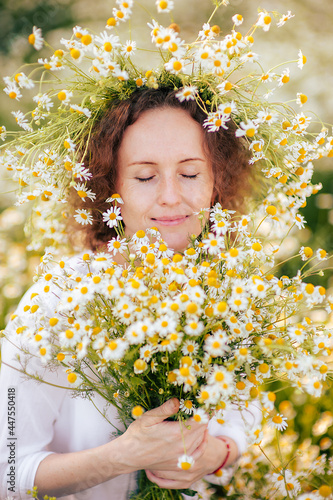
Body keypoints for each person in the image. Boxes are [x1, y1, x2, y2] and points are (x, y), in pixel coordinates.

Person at [0, 87, 261, 500]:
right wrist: (122, 457)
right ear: (110, 189)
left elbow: (243, 420)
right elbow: (7, 470)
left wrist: (217, 453)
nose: (171, 196)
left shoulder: (230, 292)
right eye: (144, 176)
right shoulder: (57, 302)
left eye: (190, 173)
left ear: (218, 185)